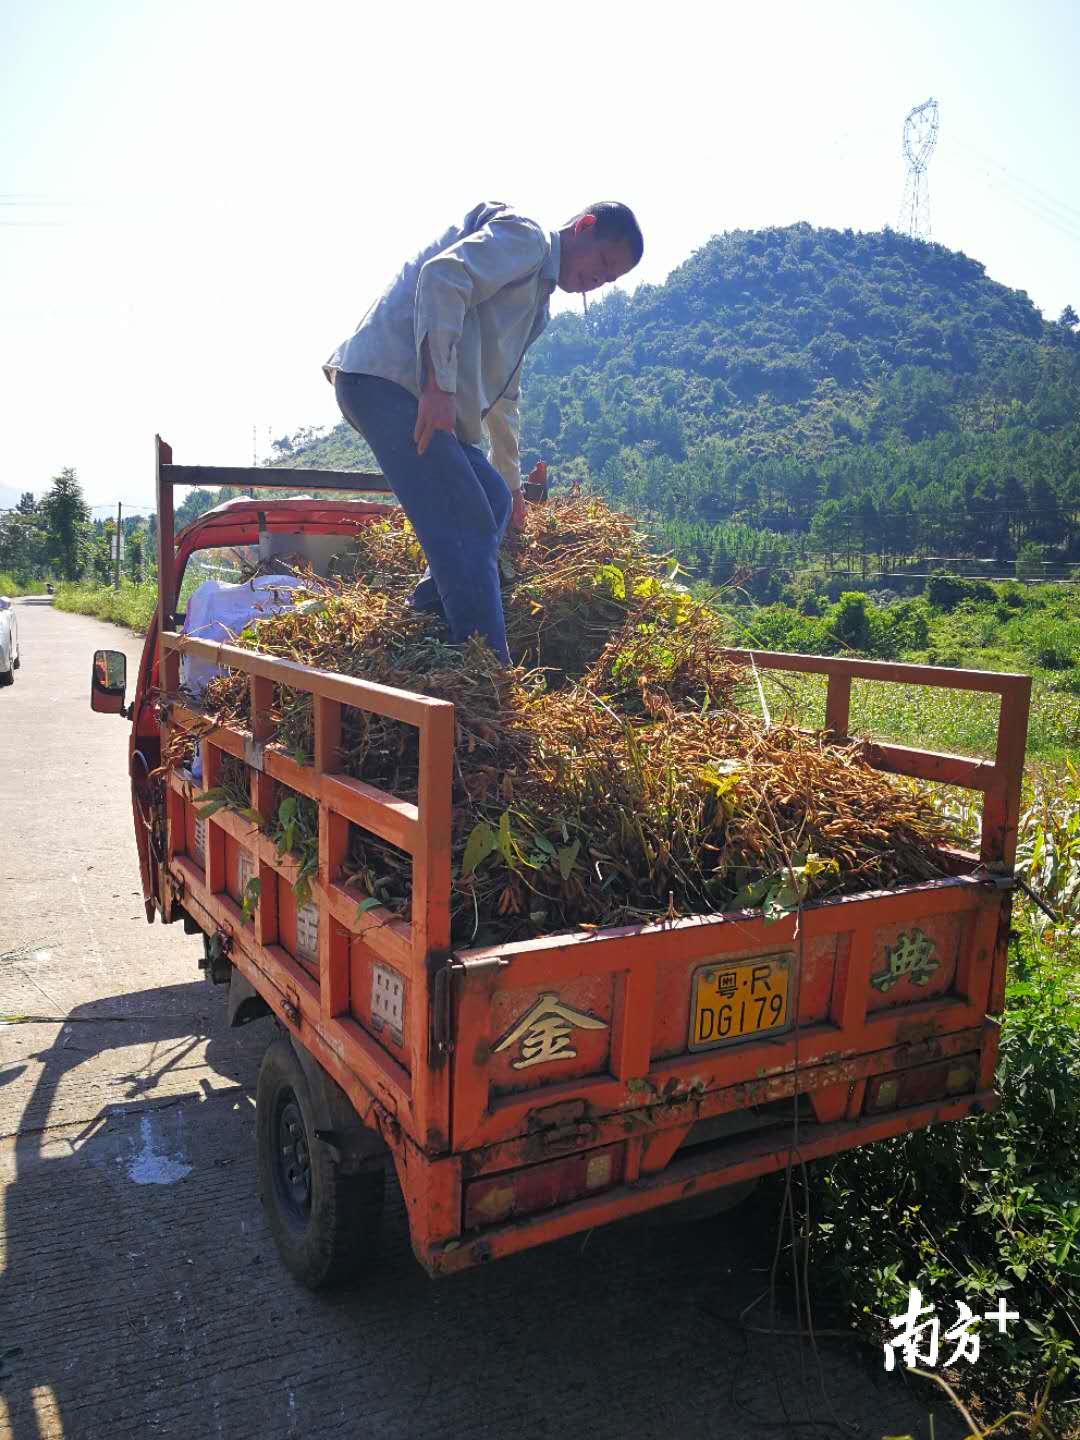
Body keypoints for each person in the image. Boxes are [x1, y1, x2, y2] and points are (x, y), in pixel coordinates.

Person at [324, 200, 643, 662]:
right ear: (584, 226)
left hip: (416, 396)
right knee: (468, 518)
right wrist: (438, 385)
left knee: (491, 500)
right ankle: (488, 674)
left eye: (610, 278)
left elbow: (504, 392)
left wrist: (512, 483)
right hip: (390, 383)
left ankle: (427, 628)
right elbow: (442, 276)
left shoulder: (537, 305)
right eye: (605, 262)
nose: (599, 278)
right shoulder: (527, 239)